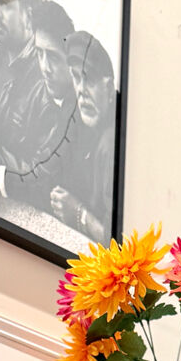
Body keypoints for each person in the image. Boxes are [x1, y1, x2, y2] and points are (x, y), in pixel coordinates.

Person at [0, 1, 75, 215]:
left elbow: (47, 175)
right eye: (40, 54)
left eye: (5, 4)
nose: (46, 67)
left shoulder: (59, 101)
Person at [47, 31, 115, 242]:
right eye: (77, 78)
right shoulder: (77, 119)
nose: (82, 90)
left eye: (90, 80)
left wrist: (79, 215)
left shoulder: (111, 142)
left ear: (109, 88)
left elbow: (116, 243)